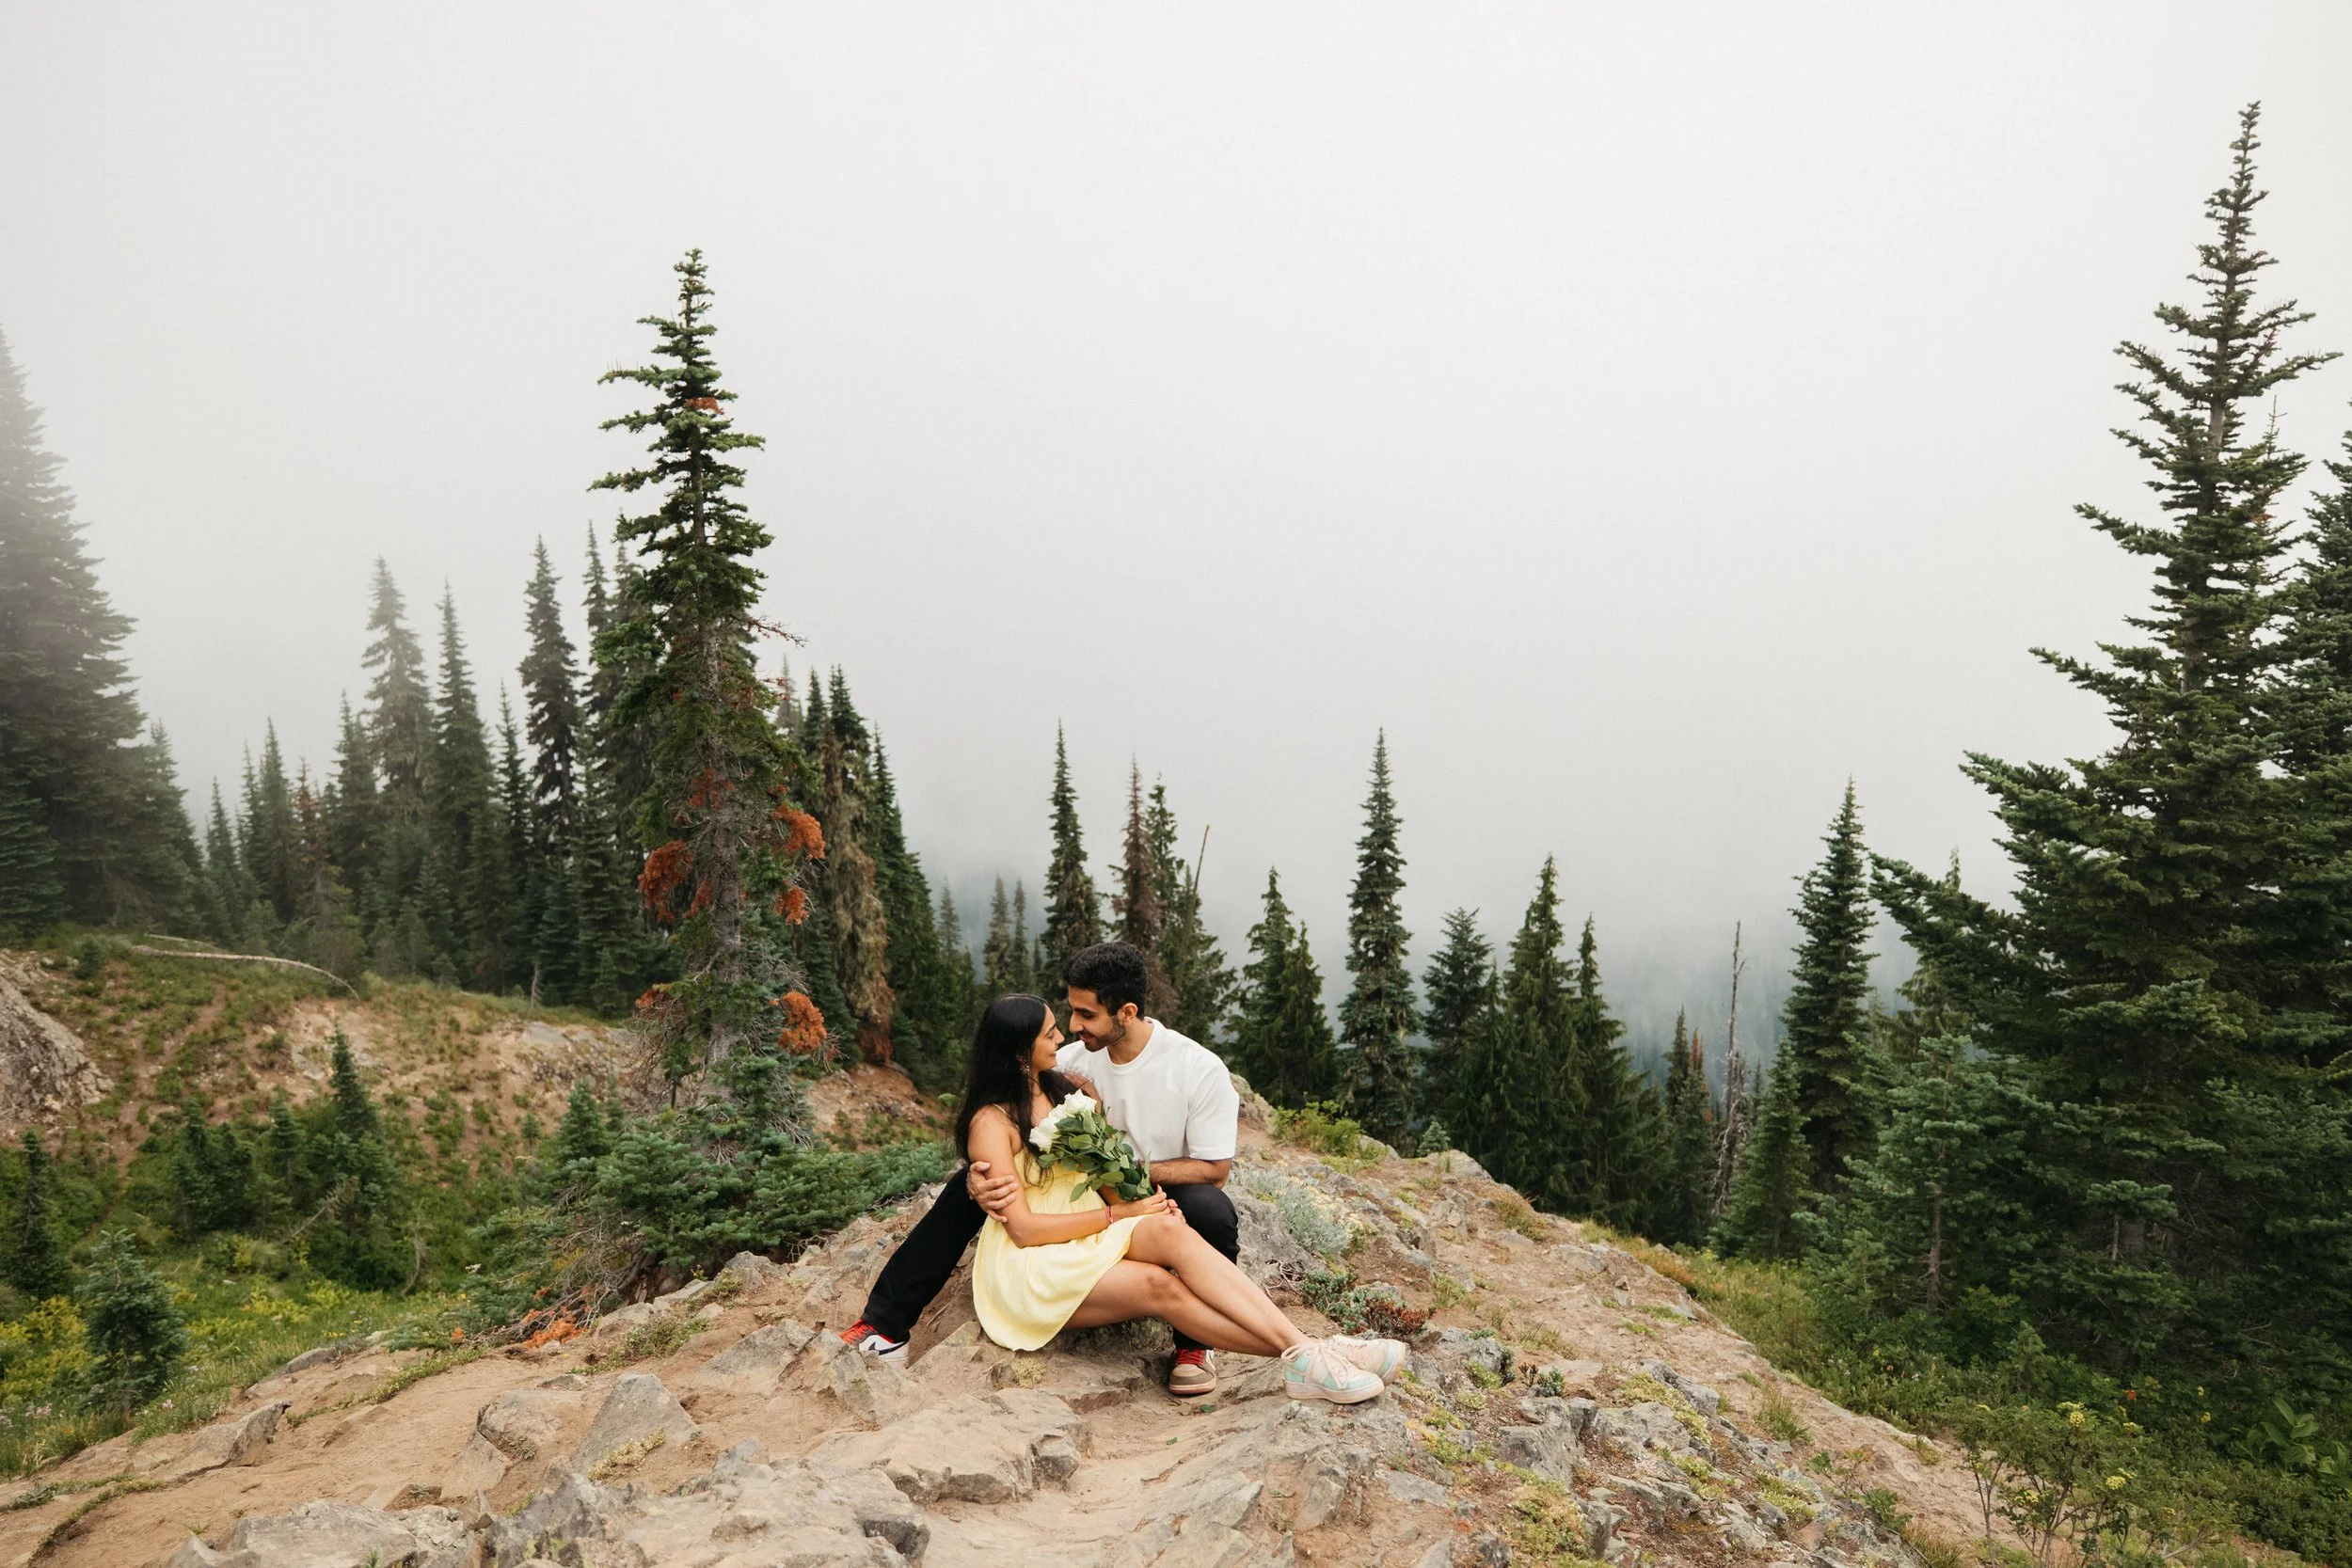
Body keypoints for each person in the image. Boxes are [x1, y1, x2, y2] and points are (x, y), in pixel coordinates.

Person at [921, 990, 1402, 1403]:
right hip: (1035, 1263)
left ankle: (1309, 1352)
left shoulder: (1067, 1087)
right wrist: (1120, 1214)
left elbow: (1101, 1170)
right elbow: (1024, 1231)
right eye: (1050, 1034)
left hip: (1088, 1233)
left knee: (1171, 1228)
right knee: (1159, 1286)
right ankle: (1312, 1354)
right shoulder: (992, 1122)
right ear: (1019, 1051)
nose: (1063, 1037)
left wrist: (1145, 1206)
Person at [842, 942, 1253, 1396]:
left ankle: (1193, 1347)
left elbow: (1214, 1169)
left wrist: (1128, 1171)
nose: (1073, 1027)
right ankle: (885, 1325)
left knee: (1212, 1209)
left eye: (1086, 1015)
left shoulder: (1197, 1068)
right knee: (967, 1187)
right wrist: (979, 1177)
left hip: (1153, 1187)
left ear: (1127, 1012)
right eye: (1071, 1013)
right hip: (1078, 1190)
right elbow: (1004, 1124)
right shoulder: (1069, 1061)